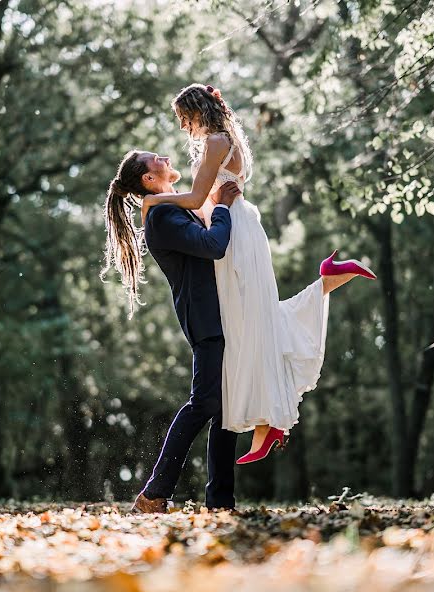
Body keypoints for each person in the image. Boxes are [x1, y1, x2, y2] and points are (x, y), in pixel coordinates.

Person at [142, 83, 376, 465]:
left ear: (196, 111)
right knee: (255, 324)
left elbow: (199, 200)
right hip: (240, 227)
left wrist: (154, 199)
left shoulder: (216, 141)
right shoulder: (225, 137)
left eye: (184, 118)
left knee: (249, 326)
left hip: (232, 231)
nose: (184, 127)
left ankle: (270, 421)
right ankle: (269, 422)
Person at [101, 148, 242, 512]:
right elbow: (214, 246)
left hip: (218, 315)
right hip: (205, 319)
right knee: (205, 403)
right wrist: (222, 207)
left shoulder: (172, 209)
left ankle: (220, 501)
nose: (165, 157)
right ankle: (154, 493)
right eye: (157, 158)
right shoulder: (162, 215)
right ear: (149, 179)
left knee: (224, 407)